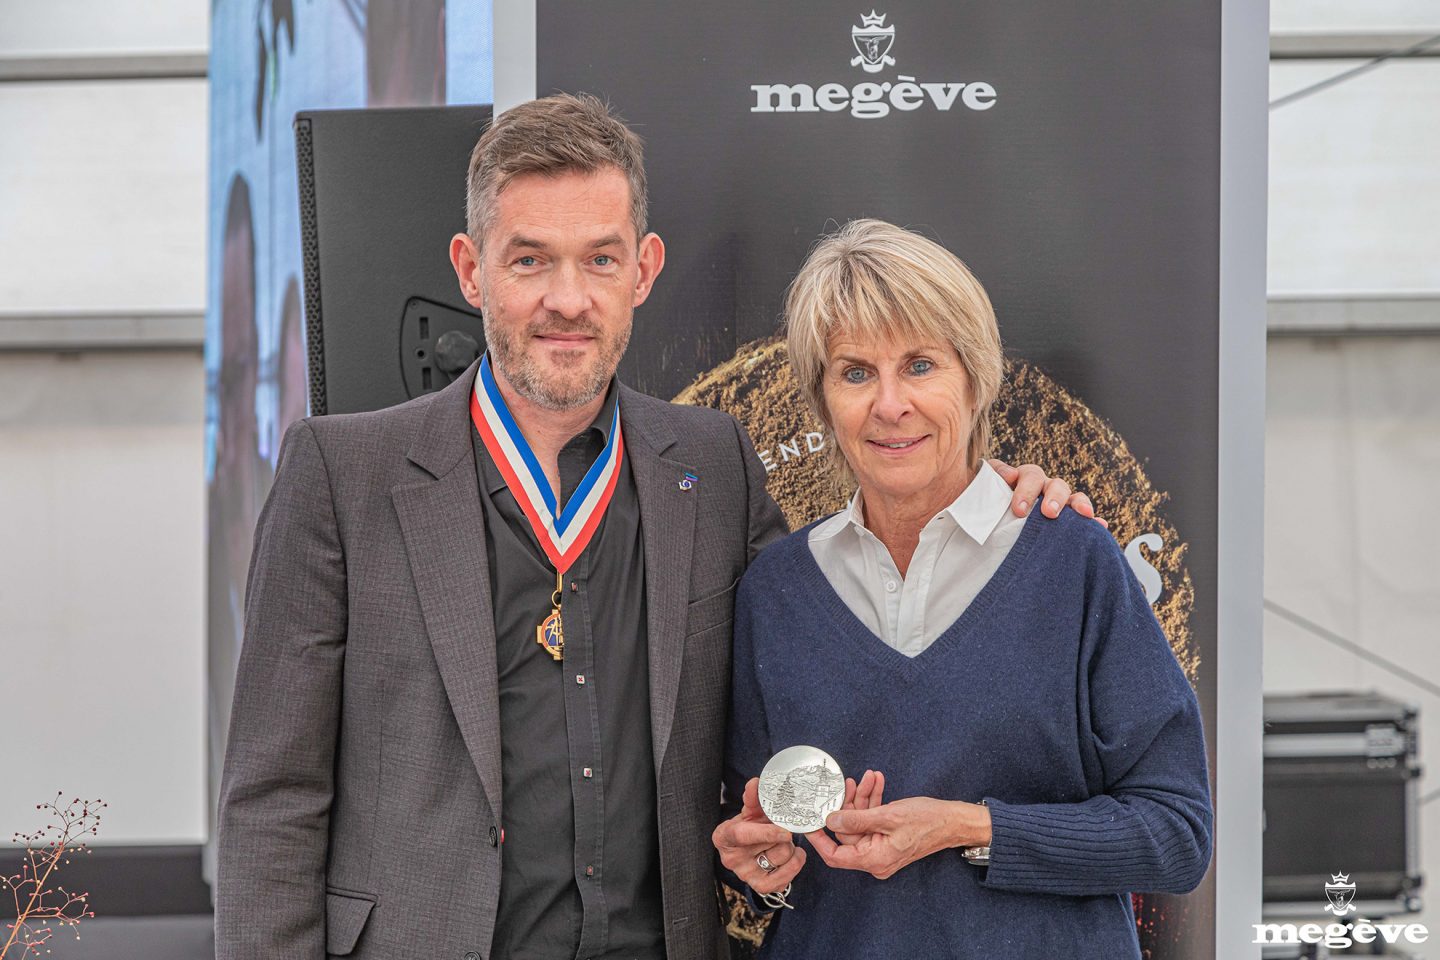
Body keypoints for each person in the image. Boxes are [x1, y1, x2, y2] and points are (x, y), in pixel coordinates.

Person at [215, 96, 1091, 960]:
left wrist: (986, 497)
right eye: (530, 262)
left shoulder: (715, 465)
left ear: (643, 268)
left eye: (600, 260)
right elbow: (273, 798)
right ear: (471, 269)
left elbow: (832, 636)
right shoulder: (343, 475)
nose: (569, 299)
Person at [713, 220, 1212, 959]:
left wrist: (967, 827)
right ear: (822, 402)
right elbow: (760, 843)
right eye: (855, 372)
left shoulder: (1075, 563)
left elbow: (1177, 836)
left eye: (920, 365)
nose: (889, 404)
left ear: (974, 380)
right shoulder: (776, 592)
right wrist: (760, 864)